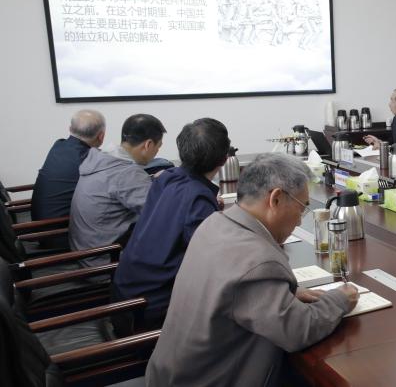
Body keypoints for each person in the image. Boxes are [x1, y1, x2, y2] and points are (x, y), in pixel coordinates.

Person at [146, 153, 359, 386]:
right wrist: (339, 300)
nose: (300, 221)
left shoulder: (214, 223)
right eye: (301, 208)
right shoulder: (257, 261)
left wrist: (282, 292)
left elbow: (231, 289)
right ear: (276, 199)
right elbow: (298, 330)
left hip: (171, 374)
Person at [113, 118, 231, 331]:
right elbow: (214, 263)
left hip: (125, 293)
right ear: (224, 159)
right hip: (151, 311)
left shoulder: (166, 178)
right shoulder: (198, 200)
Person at [69, 114, 165, 266]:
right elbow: (162, 212)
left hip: (84, 250)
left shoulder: (101, 158)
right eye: (158, 147)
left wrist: (149, 180)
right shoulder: (128, 173)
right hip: (105, 261)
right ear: (148, 144)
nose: (157, 152)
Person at [30, 109, 105, 221]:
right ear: (101, 136)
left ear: (70, 129)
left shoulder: (59, 145)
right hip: (58, 228)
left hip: (38, 222)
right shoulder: (91, 160)